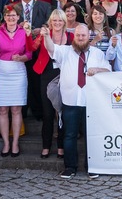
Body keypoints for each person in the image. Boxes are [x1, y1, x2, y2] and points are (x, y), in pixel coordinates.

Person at [42, 24, 111, 179]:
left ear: (89, 37)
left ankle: (92, 167)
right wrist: (46, 36)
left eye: (83, 36)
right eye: (78, 35)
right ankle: (70, 167)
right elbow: (51, 48)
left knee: (90, 136)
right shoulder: (65, 52)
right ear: (74, 37)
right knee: (69, 135)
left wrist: (97, 70)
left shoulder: (97, 54)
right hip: (70, 101)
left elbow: (108, 70)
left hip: (90, 102)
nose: (80, 38)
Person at [0, 3, 30, 157]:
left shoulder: (24, 32)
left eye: (14, 15)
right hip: (1, 72)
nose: (11, 17)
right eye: (8, 15)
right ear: (4, 17)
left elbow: (30, 53)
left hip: (18, 71)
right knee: (2, 109)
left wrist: (21, 57)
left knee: (16, 109)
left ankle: (15, 142)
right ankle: (6, 143)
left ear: (18, 17)